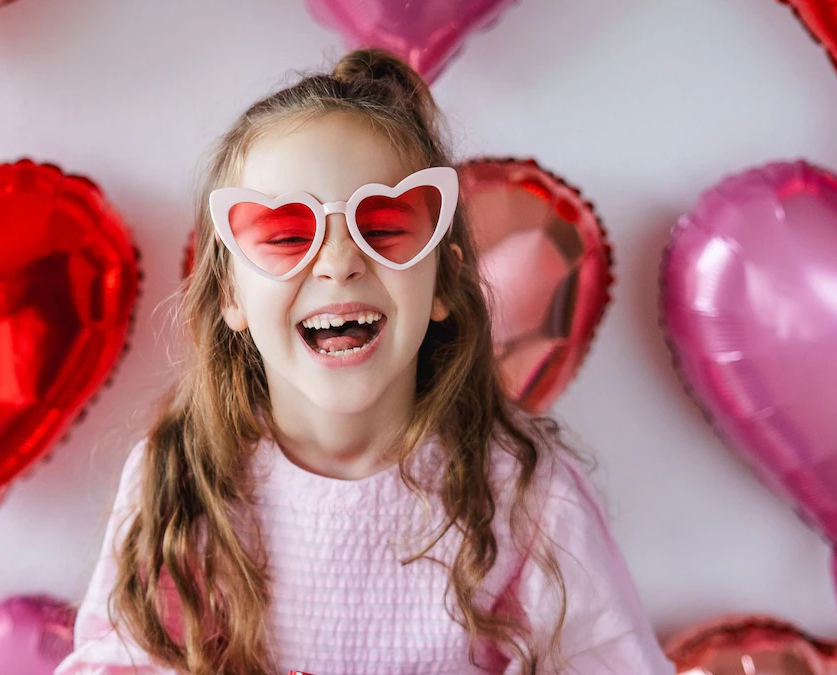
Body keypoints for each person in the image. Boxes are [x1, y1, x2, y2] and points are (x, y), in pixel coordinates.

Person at [55, 48, 674, 675]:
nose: (338, 262)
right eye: (286, 235)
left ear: (441, 282)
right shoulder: (184, 475)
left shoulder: (526, 495)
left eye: (382, 228)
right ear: (231, 296)